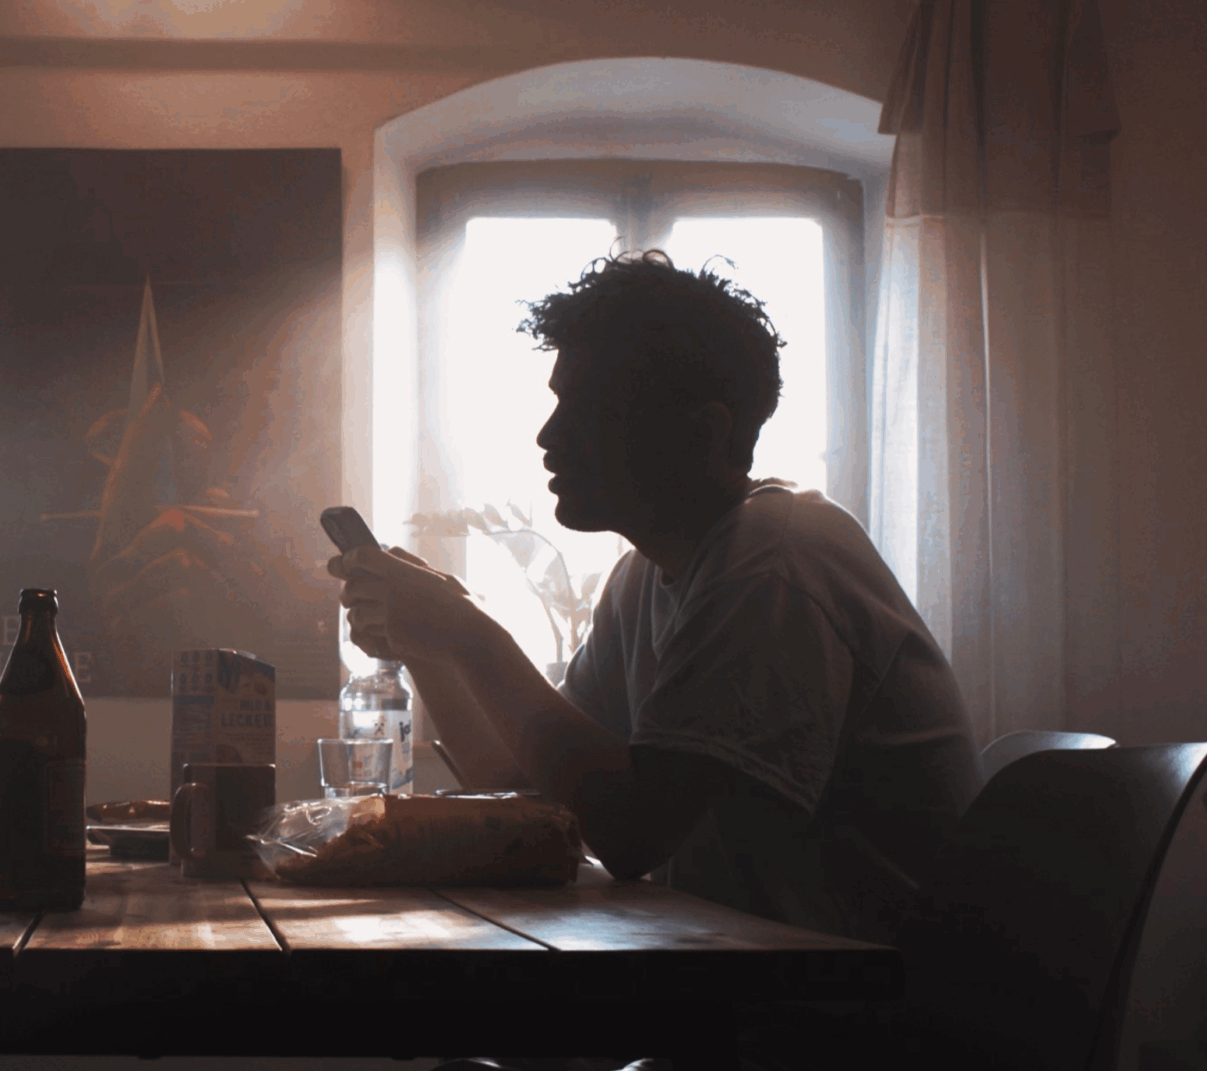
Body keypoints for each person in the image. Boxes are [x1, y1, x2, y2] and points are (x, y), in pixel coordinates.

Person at [331, 251, 976, 946]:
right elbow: (532, 795)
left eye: (587, 408)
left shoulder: (774, 563)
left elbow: (629, 831)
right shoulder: (644, 578)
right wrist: (428, 646)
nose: (548, 436)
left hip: (865, 1000)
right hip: (751, 977)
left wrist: (471, 635)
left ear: (704, 432)